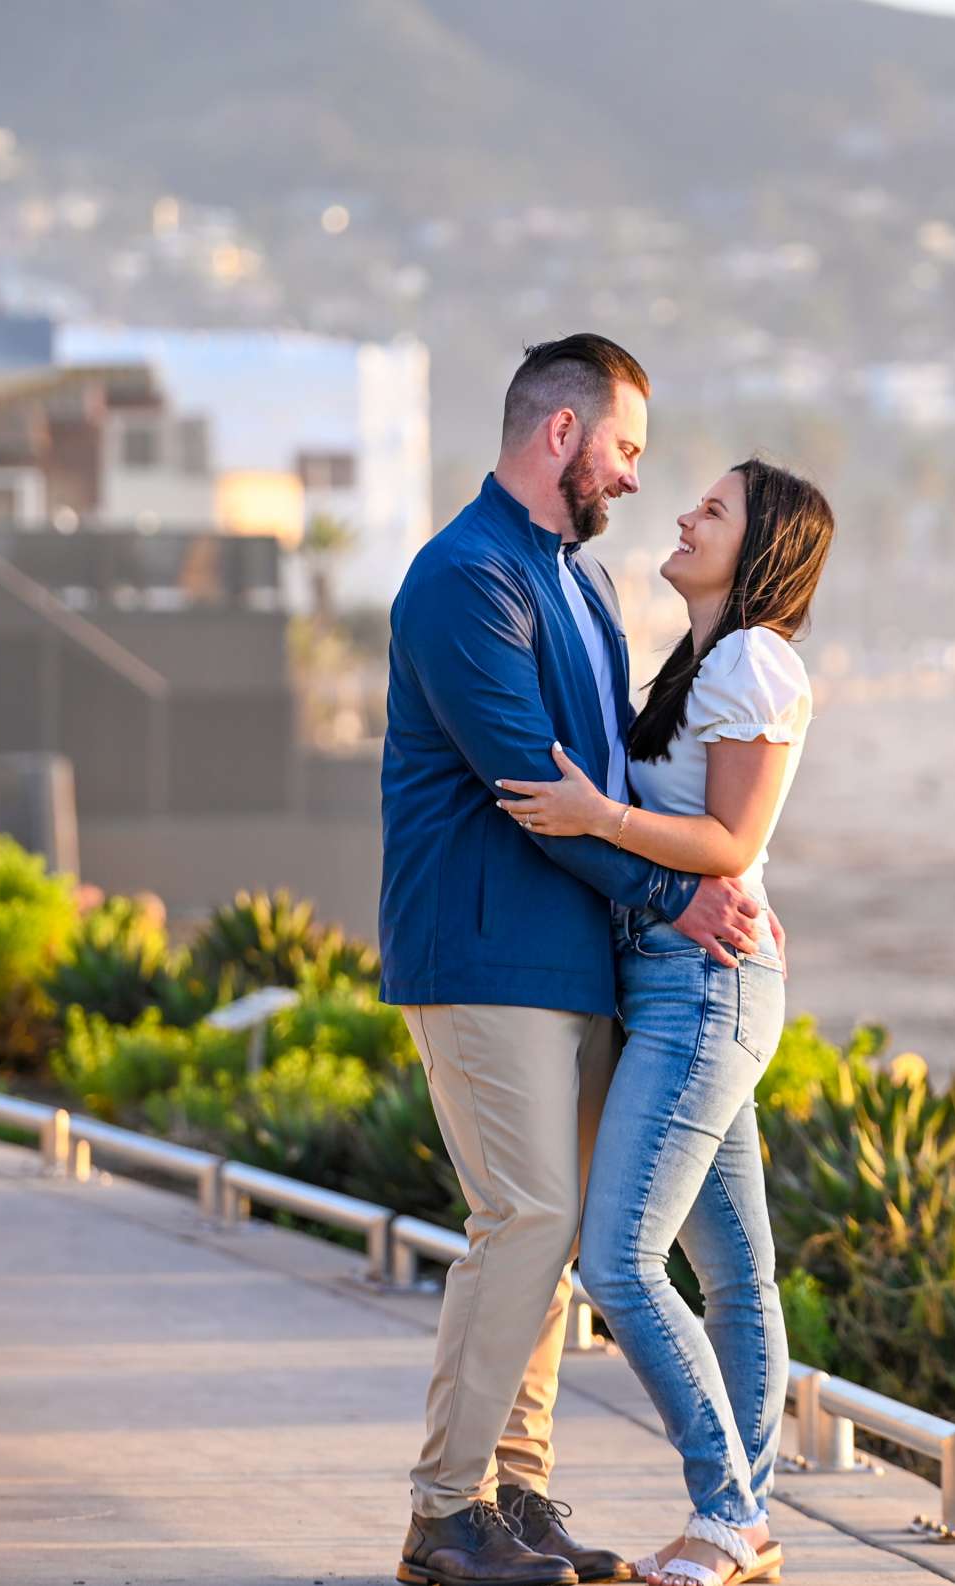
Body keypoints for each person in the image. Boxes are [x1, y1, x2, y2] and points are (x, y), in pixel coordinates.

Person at [381, 335, 769, 1586]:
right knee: (530, 1214)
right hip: (482, 952)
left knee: (555, 1235)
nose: (637, 478)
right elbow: (534, 787)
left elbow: (614, 785)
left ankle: (518, 1494)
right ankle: (444, 1513)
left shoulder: (585, 586)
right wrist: (680, 894)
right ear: (562, 435)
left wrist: (692, 880)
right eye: (627, 448)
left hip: (582, 960)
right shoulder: (463, 578)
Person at [498, 460, 835, 1586]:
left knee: (622, 1260)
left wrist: (600, 815)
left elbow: (733, 842)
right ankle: (742, 1522)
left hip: (705, 986)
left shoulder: (753, 658)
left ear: (765, 546)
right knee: (735, 1273)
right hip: (677, 984)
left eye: (715, 509)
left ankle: (728, 1507)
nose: (685, 515)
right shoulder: (699, 662)